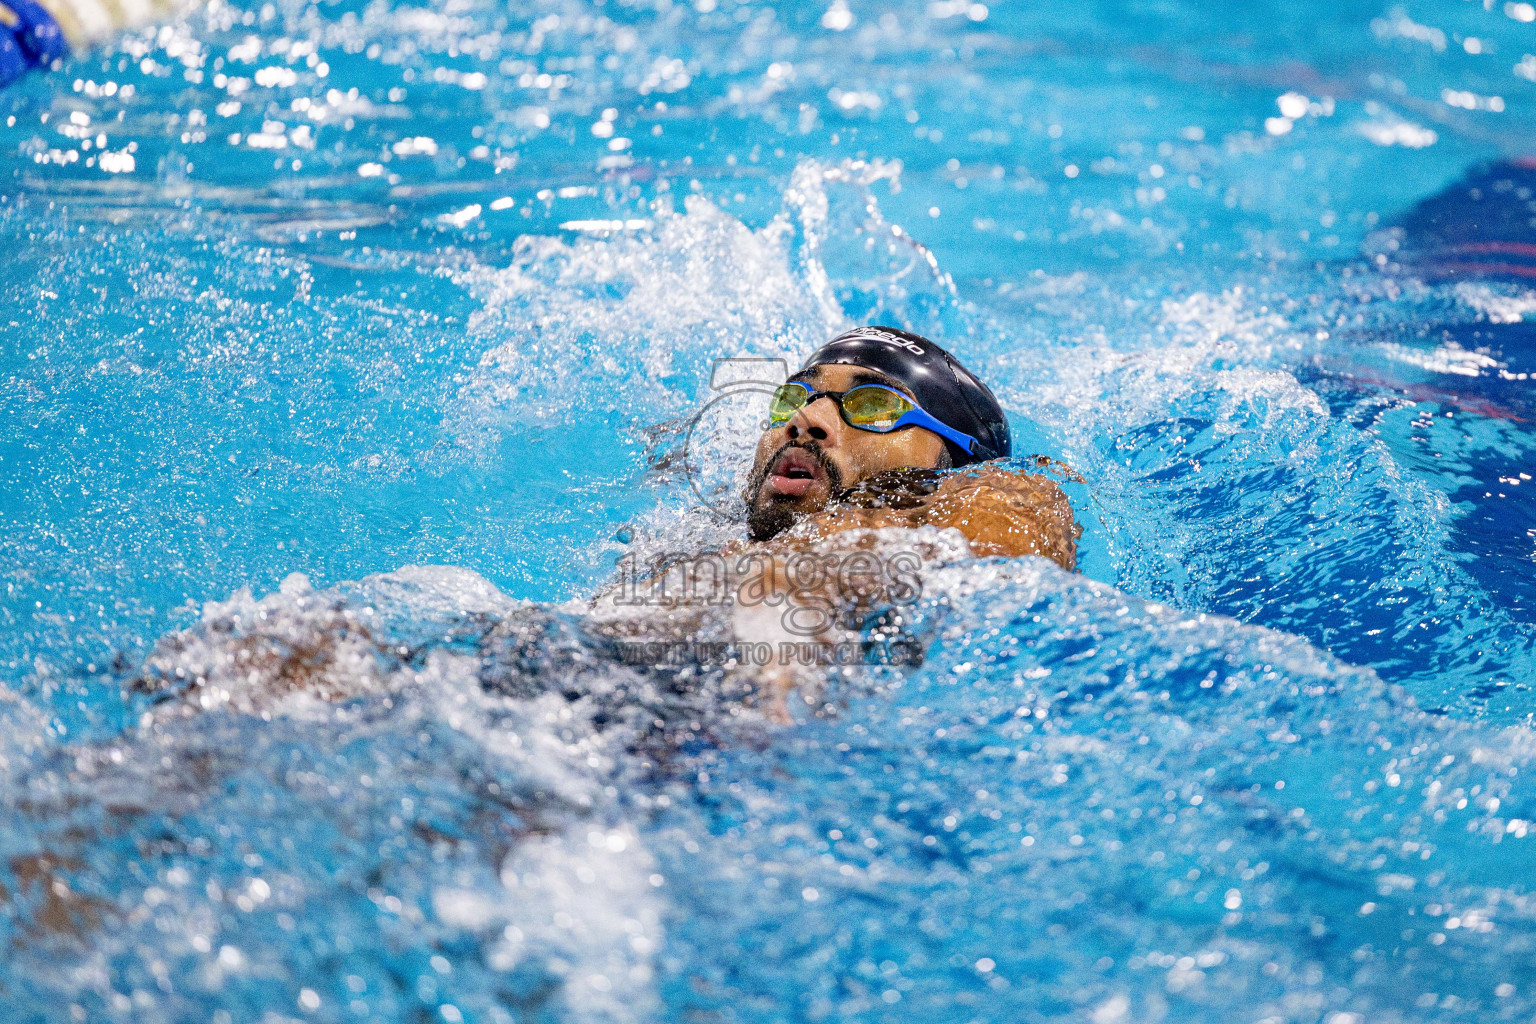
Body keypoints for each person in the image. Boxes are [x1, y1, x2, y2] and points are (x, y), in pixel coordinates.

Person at [740, 325, 1080, 569]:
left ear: (957, 463)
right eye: (793, 397)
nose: (804, 418)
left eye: (874, 406)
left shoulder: (993, 496)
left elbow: (1009, 574)